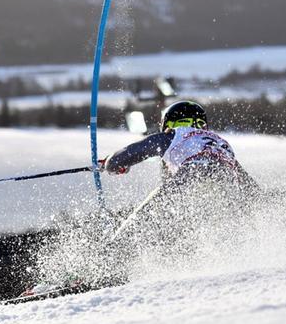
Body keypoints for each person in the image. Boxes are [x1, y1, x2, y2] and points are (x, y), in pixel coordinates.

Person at [102, 100, 259, 243]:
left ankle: (113, 256)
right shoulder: (221, 143)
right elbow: (250, 189)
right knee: (212, 223)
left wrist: (111, 163)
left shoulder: (174, 134)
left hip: (192, 173)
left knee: (145, 218)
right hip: (226, 181)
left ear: (169, 123)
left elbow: (119, 160)